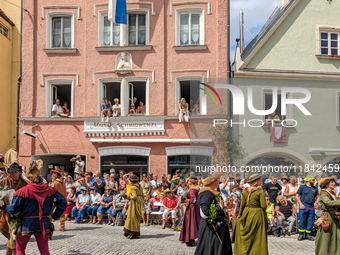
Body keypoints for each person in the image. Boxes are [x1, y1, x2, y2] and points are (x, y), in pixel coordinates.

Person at [6, 160, 67, 255]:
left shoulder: (22, 191)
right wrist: (54, 216)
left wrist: (7, 207)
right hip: (43, 223)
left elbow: (14, 209)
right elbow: (63, 202)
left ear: (29, 177)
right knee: (44, 251)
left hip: (27, 224)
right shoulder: (50, 190)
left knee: (20, 249)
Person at [195, 172, 232, 255]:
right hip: (211, 229)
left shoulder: (211, 192)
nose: (219, 181)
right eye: (218, 179)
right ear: (214, 180)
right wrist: (220, 207)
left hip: (215, 228)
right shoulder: (206, 193)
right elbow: (205, 213)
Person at [232, 173, 268, 255]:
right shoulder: (259, 191)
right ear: (256, 181)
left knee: (248, 233)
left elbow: (242, 204)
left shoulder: (246, 191)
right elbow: (263, 206)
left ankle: (245, 250)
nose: (261, 181)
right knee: (258, 235)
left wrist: (240, 215)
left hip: (247, 213)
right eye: (260, 179)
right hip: (258, 214)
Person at [0, 162, 28, 255]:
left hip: (18, 214)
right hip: (4, 212)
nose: (13, 174)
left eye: (15, 172)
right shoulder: (4, 181)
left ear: (20, 172)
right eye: (11, 172)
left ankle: (12, 253)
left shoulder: (25, 184)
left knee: (14, 234)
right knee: (7, 232)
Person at [315, 177, 340, 255]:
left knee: (336, 235)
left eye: (334, 182)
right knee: (326, 236)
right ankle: (323, 253)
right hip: (327, 216)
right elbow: (328, 203)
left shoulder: (332, 193)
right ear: (326, 184)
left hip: (334, 216)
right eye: (331, 182)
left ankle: (335, 252)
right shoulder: (323, 193)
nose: (334, 184)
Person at [296, 175, 319, 241]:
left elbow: (318, 196)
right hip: (304, 205)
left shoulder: (315, 188)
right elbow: (297, 195)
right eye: (313, 180)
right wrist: (300, 204)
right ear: (309, 180)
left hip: (311, 206)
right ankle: (301, 234)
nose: (314, 181)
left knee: (310, 220)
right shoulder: (302, 187)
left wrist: (316, 203)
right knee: (302, 220)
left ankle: (308, 234)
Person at [179, 175, 200, 246]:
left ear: (191, 182)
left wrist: (187, 200)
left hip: (192, 208)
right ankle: (186, 238)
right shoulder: (197, 189)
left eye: (189, 181)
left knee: (190, 223)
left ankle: (190, 239)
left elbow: (193, 199)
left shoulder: (192, 189)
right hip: (195, 207)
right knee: (192, 223)